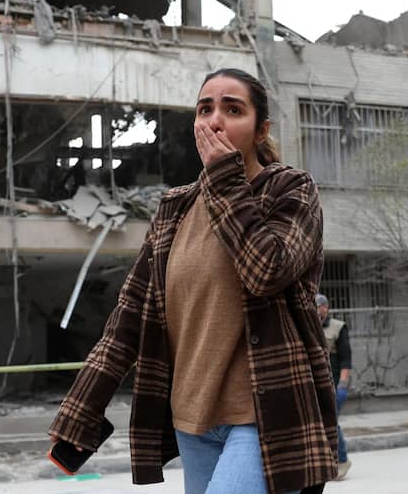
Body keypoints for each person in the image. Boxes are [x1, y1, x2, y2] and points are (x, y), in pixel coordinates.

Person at [49, 68, 338, 494]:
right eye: (205, 109)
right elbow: (129, 318)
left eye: (232, 109)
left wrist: (225, 176)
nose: (215, 119)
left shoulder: (290, 190)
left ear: (261, 130)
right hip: (192, 422)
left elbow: (267, 271)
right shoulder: (175, 208)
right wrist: (81, 413)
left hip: (265, 417)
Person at [315, 293, 352, 479]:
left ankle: (342, 461)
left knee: (331, 422)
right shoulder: (310, 327)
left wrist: (343, 386)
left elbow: (346, 360)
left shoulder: (338, 327)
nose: (316, 308)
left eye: (319, 305)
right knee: (323, 423)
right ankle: (329, 462)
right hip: (316, 386)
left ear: (326, 308)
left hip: (335, 384)